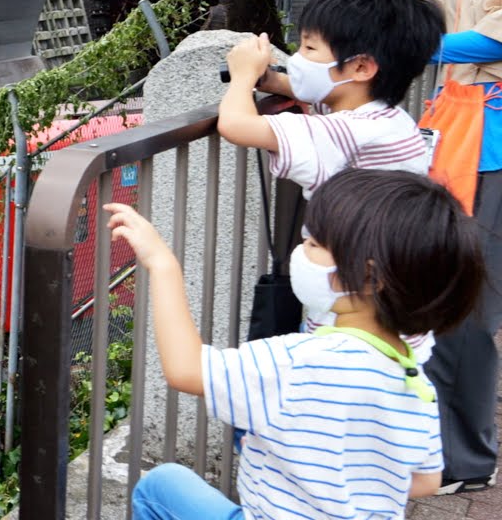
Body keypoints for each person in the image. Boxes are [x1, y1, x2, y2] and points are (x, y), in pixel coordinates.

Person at [114, 169, 484, 519]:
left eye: (314, 243)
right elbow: (426, 480)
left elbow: (186, 369)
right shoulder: (413, 380)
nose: (301, 250)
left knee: (160, 485)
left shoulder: (298, 362)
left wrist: (162, 264)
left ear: (369, 275)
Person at [217, 0, 444, 361]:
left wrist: (241, 77)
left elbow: (235, 125)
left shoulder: (345, 134)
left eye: (309, 48)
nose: (299, 58)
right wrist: (272, 80)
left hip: (352, 311)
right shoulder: (383, 119)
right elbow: (319, 91)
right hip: (392, 305)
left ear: (360, 68)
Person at [385, 0, 502, 494]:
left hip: (493, 136)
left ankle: (467, 459)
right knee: (448, 287)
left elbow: (492, 41)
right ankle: (445, 452)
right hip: (457, 127)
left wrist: (420, 45)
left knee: (470, 299)